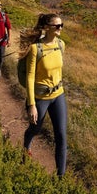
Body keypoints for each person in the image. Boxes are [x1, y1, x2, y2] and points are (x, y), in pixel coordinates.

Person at [21, 13, 67, 177]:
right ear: (47, 27)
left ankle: (60, 177)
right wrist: (32, 104)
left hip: (58, 95)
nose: (60, 28)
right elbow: (30, 76)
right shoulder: (35, 48)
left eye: (62, 25)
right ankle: (26, 144)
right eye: (57, 26)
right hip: (40, 98)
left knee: (61, 135)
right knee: (35, 129)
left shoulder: (61, 45)